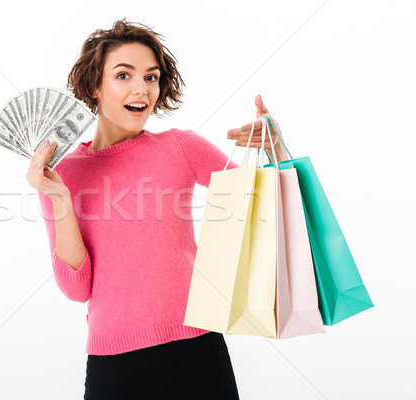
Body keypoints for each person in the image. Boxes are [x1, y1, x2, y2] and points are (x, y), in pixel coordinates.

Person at [26, 18, 289, 399]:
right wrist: (62, 201)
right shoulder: (61, 174)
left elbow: (266, 205)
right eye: (123, 75)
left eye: (151, 77)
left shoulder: (180, 147)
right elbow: (77, 288)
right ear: (95, 87)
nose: (142, 89)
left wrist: (274, 146)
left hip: (199, 353)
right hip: (114, 366)